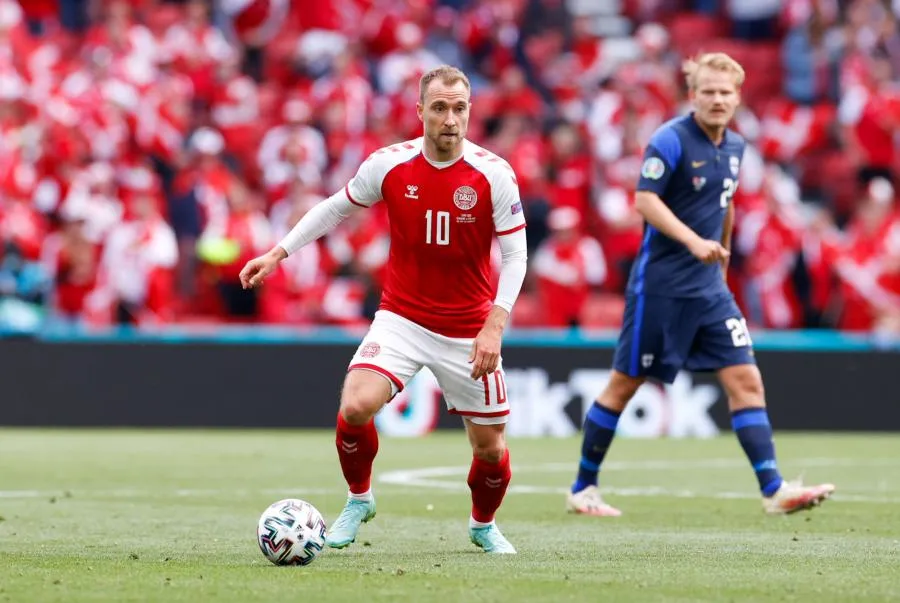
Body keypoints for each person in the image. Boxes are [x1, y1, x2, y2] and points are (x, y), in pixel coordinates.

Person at [239, 65, 527, 553]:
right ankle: (359, 499)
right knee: (355, 406)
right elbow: (335, 207)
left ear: (470, 112)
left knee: (490, 448)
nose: (450, 119)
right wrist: (278, 252)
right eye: (440, 108)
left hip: (468, 326)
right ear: (420, 111)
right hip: (402, 318)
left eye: (459, 108)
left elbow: (517, 255)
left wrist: (494, 325)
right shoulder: (390, 165)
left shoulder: (493, 174)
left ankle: (483, 524)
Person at [565, 53, 835, 517]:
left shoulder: (736, 147)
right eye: (708, 91)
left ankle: (774, 490)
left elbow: (725, 204)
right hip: (661, 287)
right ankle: (583, 488)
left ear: (737, 97)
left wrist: (721, 259)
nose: (717, 99)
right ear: (693, 95)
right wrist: (693, 241)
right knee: (624, 385)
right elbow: (645, 201)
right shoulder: (670, 140)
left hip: (710, 289)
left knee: (746, 380)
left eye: (725, 92)